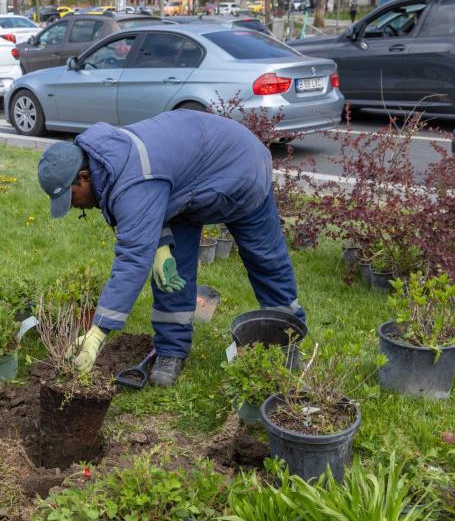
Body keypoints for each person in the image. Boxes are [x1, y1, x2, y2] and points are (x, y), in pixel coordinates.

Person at [37, 110, 304, 387]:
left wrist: (97, 332)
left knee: (265, 261)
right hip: (187, 186)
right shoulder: (108, 160)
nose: (73, 207)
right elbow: (156, 189)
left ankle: (288, 338)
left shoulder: (132, 181)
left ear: (84, 177)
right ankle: (171, 351)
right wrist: (162, 244)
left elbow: (133, 258)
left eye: (71, 198)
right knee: (169, 272)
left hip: (241, 169)